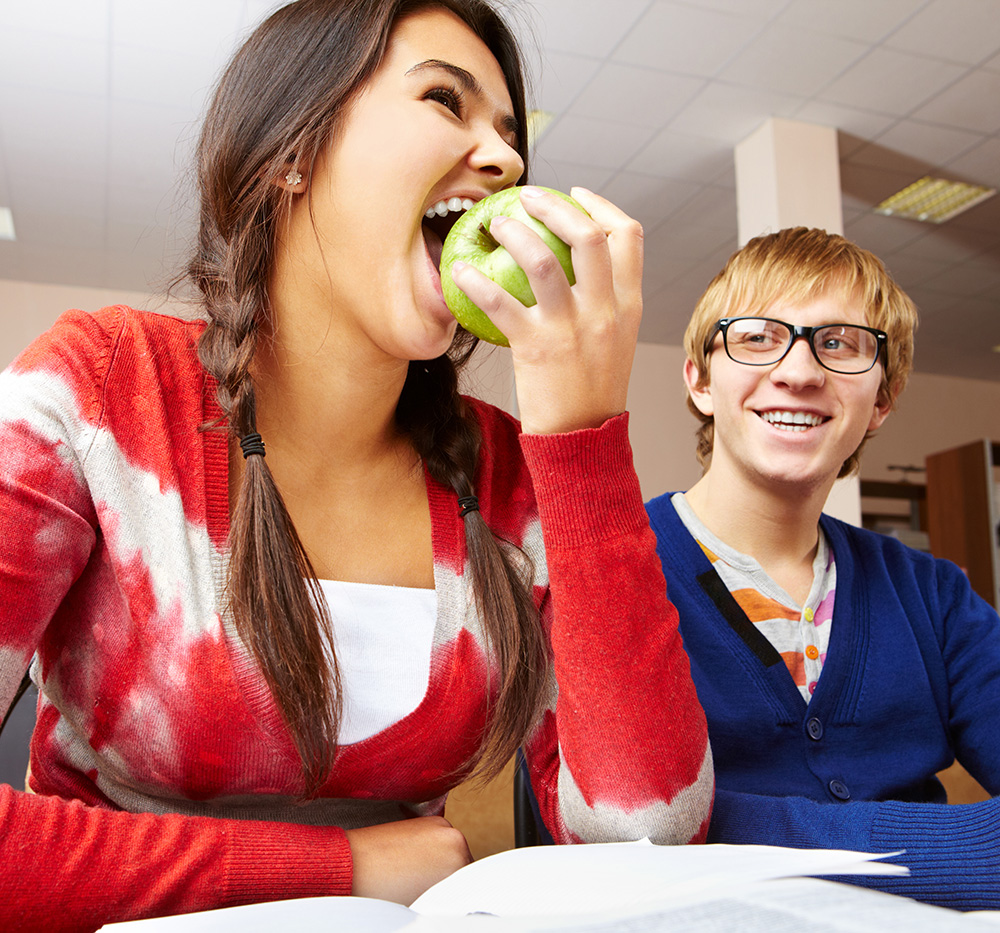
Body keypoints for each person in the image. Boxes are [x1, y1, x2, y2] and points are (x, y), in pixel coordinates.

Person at [0, 1, 713, 929]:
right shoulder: (98, 387)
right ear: (294, 150)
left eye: (508, 133)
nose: (503, 159)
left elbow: (650, 839)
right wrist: (335, 864)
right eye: (444, 102)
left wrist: (583, 439)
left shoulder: (502, 473)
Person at [645, 226, 1000, 910]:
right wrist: (953, 845)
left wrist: (740, 825)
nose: (801, 371)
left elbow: (700, 828)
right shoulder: (614, 574)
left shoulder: (935, 596)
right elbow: (624, 830)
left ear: (882, 401)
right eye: (757, 337)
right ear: (699, 380)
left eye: (840, 343)